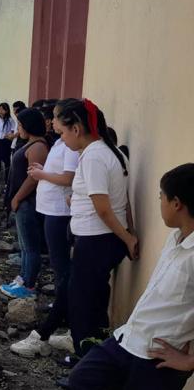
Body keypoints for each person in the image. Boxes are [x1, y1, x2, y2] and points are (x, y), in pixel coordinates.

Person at [68, 163, 194, 390]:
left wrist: (189, 360)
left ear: (176, 204)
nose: (160, 202)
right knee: (81, 379)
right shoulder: (176, 238)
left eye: (161, 197)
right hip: (130, 338)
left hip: (157, 359)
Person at [57, 98, 136, 356]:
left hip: (96, 240)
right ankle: (95, 354)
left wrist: (128, 238)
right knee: (96, 297)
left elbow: (103, 208)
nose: (63, 140)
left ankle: (83, 361)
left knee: (82, 304)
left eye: (62, 133)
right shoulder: (111, 150)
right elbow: (123, 200)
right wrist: (127, 234)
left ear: (76, 129)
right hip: (102, 240)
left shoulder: (93, 157)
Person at [10, 99, 80, 357]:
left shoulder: (70, 146)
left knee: (63, 270)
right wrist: (44, 171)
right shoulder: (62, 142)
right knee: (61, 269)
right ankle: (64, 312)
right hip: (52, 211)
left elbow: (69, 178)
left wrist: (41, 175)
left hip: (60, 213)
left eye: (55, 117)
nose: (51, 121)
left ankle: (63, 321)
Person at [0, 108, 49, 299]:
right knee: (24, 245)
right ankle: (22, 278)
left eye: (20, 124)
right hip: (23, 202)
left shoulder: (38, 146)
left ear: (29, 125)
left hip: (28, 202)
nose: (18, 128)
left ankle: (28, 286)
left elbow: (33, 178)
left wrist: (18, 197)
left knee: (30, 247)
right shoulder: (30, 143)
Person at [0, 103, 17, 184]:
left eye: (3, 109)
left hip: (5, 142)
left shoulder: (10, 120)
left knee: (6, 161)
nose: (0, 111)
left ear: (6, 110)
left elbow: (13, 131)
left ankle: (7, 180)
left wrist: (9, 135)